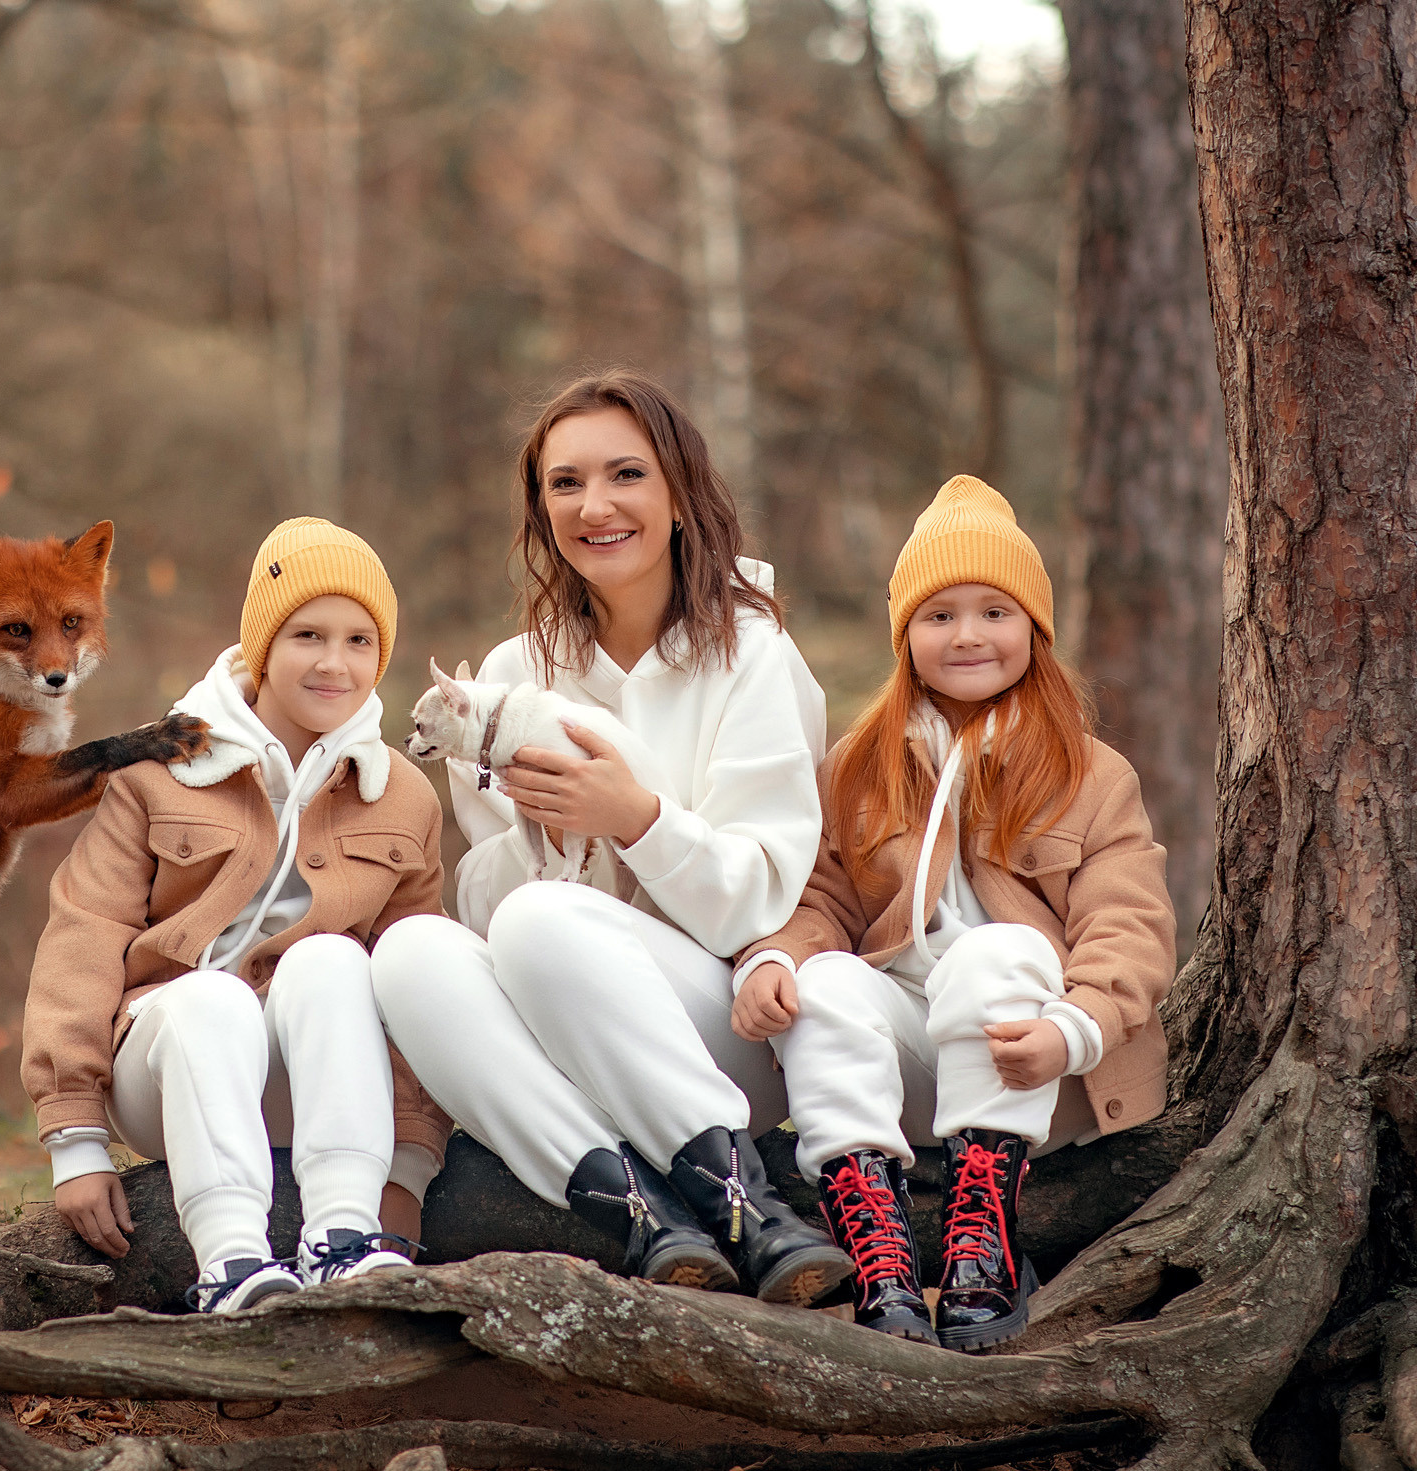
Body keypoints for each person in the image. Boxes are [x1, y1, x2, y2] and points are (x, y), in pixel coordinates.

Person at [370, 370, 852, 1304]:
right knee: (412, 951)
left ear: (679, 494)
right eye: (565, 483)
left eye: (625, 474)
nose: (595, 506)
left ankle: (745, 1203)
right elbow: (486, 906)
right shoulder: (511, 675)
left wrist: (632, 818)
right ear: (540, 507)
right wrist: (535, 826)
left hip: (722, 1025)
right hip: (561, 1014)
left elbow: (762, 894)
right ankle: (638, 1213)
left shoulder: (753, 654)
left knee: (545, 921)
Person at [730, 474, 1174, 1352]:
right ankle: (880, 1247)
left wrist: (1075, 1027)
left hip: (1033, 1063)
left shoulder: (1090, 772)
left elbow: (1130, 924)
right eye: (939, 615)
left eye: (994, 611)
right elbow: (818, 897)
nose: (967, 634)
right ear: (906, 638)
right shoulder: (860, 766)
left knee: (998, 948)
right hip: (905, 1067)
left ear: (1034, 631)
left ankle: (984, 1241)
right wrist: (773, 959)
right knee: (824, 979)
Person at [21, 517, 449, 1313]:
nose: (334, 662)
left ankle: (345, 1236)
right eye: (308, 634)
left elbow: (418, 994)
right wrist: (74, 1139)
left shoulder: (404, 795)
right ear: (261, 645)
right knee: (212, 998)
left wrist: (410, 1166)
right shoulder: (162, 769)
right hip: (168, 1062)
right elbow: (83, 933)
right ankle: (232, 1263)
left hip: (318, 1073)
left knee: (335, 960)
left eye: (360, 640)